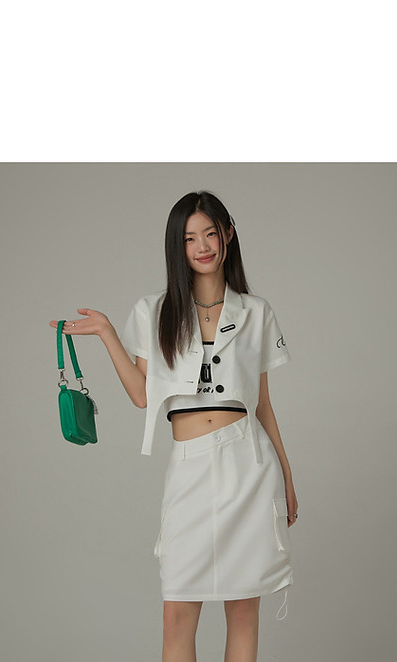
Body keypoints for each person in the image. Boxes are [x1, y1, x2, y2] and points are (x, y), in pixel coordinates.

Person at [49, 191, 297, 662]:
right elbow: (142, 395)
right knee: (178, 614)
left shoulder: (256, 311)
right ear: (176, 246)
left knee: (244, 611)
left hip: (249, 464)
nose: (202, 246)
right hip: (190, 466)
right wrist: (107, 333)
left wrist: (286, 475)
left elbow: (263, 405)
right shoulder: (154, 311)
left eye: (210, 233)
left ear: (227, 234)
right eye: (189, 238)